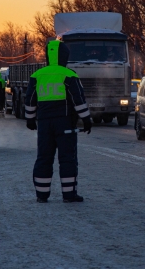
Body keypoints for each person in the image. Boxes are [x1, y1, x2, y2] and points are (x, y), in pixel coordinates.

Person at [24, 40, 92, 203]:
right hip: (66, 125)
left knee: (44, 158)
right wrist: (86, 119)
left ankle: (42, 195)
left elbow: (30, 100)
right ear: (64, 56)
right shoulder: (69, 75)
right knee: (67, 159)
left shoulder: (37, 76)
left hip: (45, 125)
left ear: (48, 56)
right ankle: (69, 195)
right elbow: (78, 101)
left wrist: (30, 119)